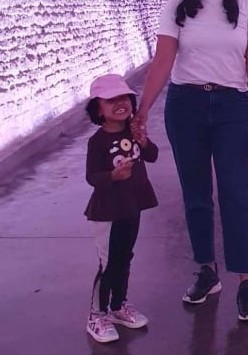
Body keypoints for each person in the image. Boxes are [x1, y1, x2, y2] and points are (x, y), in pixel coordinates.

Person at [131, 0, 248, 321]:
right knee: (196, 194)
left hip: (231, 107)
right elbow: (163, 60)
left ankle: (245, 281)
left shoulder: (245, 7)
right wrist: (142, 108)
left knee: (236, 194)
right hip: (186, 105)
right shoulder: (177, 7)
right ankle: (206, 271)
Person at [83, 73, 159, 343]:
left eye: (125, 98)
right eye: (111, 99)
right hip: (108, 211)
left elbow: (152, 155)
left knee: (125, 258)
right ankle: (96, 315)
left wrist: (144, 140)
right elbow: (92, 177)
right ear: (98, 109)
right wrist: (112, 177)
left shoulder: (132, 131)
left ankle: (118, 307)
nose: (121, 103)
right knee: (109, 263)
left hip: (132, 206)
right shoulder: (98, 141)